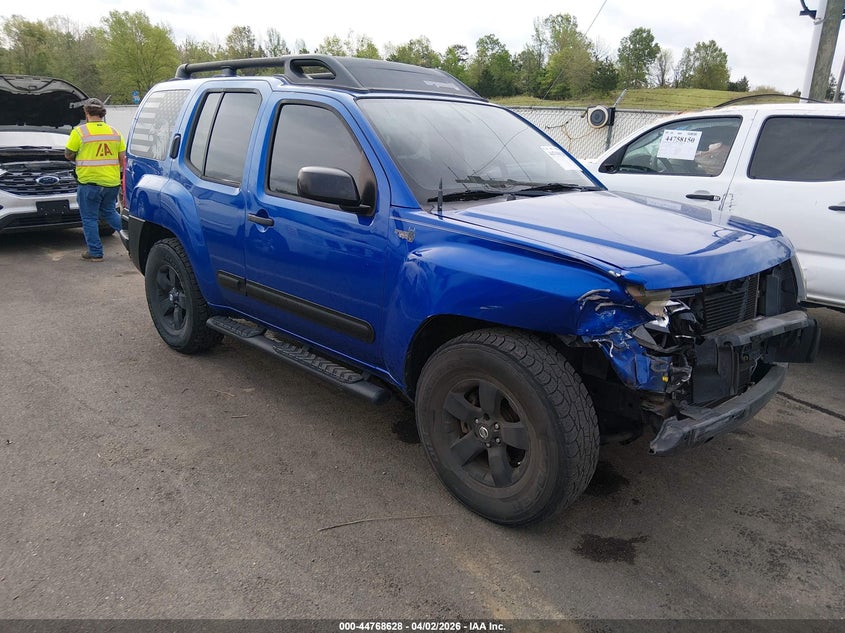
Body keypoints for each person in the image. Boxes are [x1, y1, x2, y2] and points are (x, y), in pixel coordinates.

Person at [64, 98, 126, 262]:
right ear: (103, 113)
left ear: (86, 112)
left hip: (89, 184)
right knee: (110, 212)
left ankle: (95, 252)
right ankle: (133, 242)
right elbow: (122, 159)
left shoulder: (79, 132)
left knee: (89, 218)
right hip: (111, 183)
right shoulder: (115, 132)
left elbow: (68, 155)